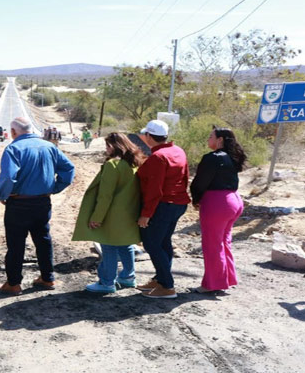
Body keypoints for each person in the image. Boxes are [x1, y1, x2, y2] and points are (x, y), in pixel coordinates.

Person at [0, 117, 75, 295]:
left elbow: (8, 177)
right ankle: (47, 278)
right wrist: (55, 188)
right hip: (42, 202)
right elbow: (68, 169)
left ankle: (14, 284)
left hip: (19, 204)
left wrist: (2, 194)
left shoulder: (13, 148)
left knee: (16, 244)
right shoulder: (49, 146)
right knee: (43, 239)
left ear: (13, 132)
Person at [72, 133, 144, 293]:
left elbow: (105, 196)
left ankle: (107, 282)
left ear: (115, 146)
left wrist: (96, 217)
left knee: (109, 247)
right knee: (126, 245)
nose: (106, 149)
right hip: (129, 213)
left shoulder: (113, 165)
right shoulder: (134, 164)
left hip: (112, 215)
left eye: (107, 146)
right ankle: (128, 277)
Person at [136, 120, 190, 299]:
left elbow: (154, 189)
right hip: (178, 203)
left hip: (163, 205)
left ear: (149, 136)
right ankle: (160, 279)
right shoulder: (178, 151)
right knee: (164, 241)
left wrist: (146, 214)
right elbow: (185, 177)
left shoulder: (158, 158)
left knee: (151, 243)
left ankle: (167, 286)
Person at [190, 127, 246, 293]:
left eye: (210, 136)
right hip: (234, 200)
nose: (208, 140)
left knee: (212, 244)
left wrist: (196, 199)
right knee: (223, 241)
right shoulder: (233, 157)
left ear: (220, 139)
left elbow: (200, 182)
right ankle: (227, 278)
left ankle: (212, 284)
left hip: (217, 203)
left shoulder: (212, 158)